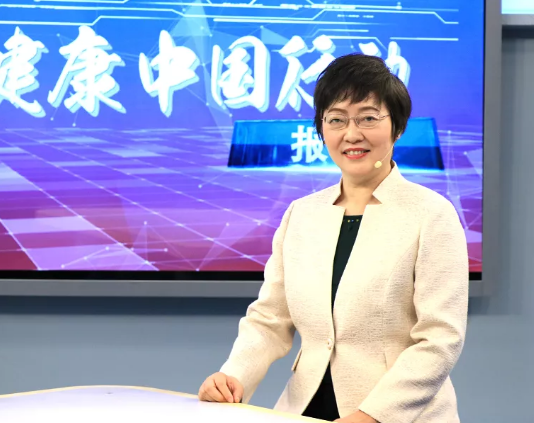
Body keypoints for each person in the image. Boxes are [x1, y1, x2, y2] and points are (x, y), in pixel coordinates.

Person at [198, 54, 469, 423]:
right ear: (322, 129)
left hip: (397, 415)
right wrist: (233, 376)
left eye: (368, 118)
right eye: (336, 119)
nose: (351, 134)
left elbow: (440, 339)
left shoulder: (431, 214)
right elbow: (270, 319)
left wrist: (372, 415)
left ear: (398, 127)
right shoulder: (301, 214)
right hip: (305, 409)